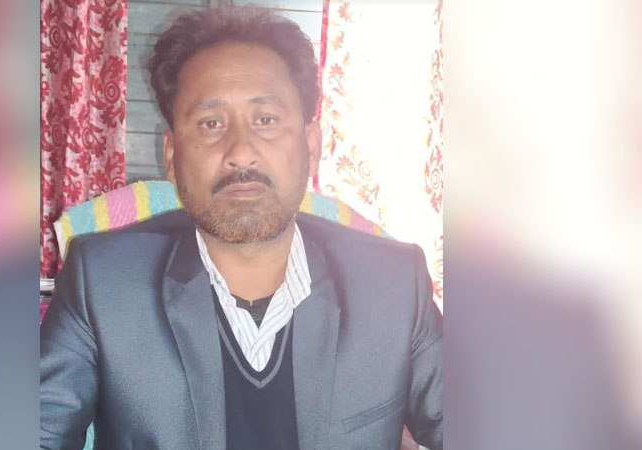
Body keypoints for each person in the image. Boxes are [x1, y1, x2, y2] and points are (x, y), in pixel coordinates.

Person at [40, 5, 442, 450]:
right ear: (171, 155)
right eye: (211, 124)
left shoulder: (392, 285)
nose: (240, 152)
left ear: (312, 145)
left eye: (265, 120)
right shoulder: (104, 282)